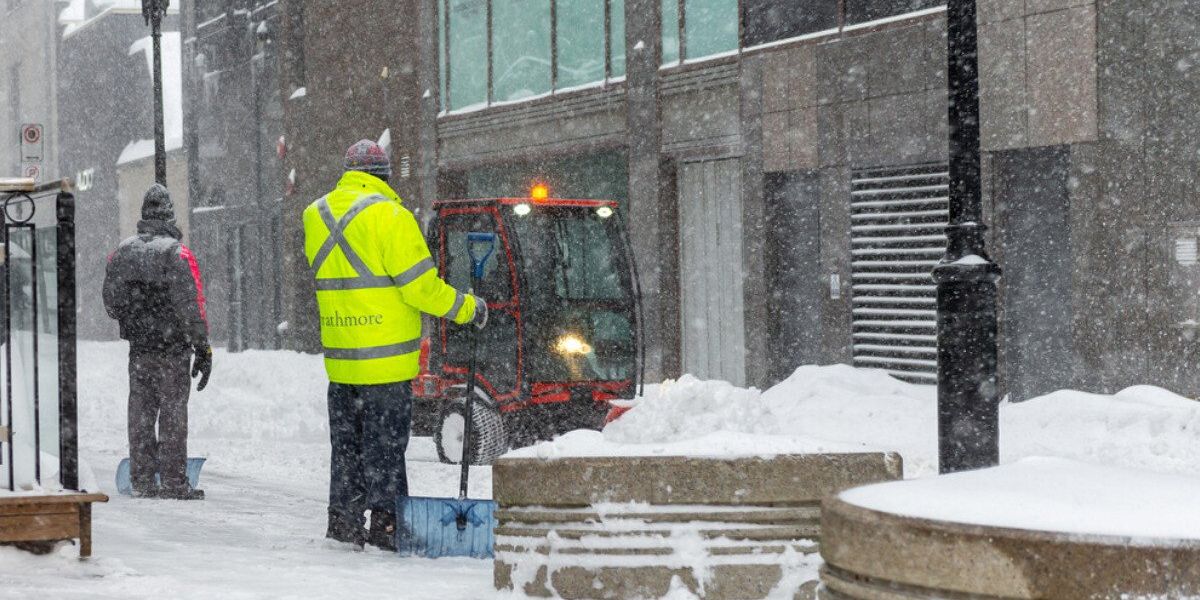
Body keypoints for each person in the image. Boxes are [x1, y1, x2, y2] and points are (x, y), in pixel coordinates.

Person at [304, 140, 486, 550]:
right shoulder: (392, 217)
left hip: (342, 364)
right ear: (384, 176)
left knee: (347, 451)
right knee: (385, 452)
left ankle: (343, 523)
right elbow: (421, 288)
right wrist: (468, 309)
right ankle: (387, 527)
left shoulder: (315, 216)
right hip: (386, 366)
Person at [103, 183, 212, 500]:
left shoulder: (123, 252)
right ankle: (174, 483)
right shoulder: (177, 254)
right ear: (170, 215)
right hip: (173, 351)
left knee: (140, 413)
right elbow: (192, 306)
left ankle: (142, 480)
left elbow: (111, 303)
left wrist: (136, 317)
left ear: (143, 215)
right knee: (173, 414)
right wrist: (202, 348)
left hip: (139, 350)